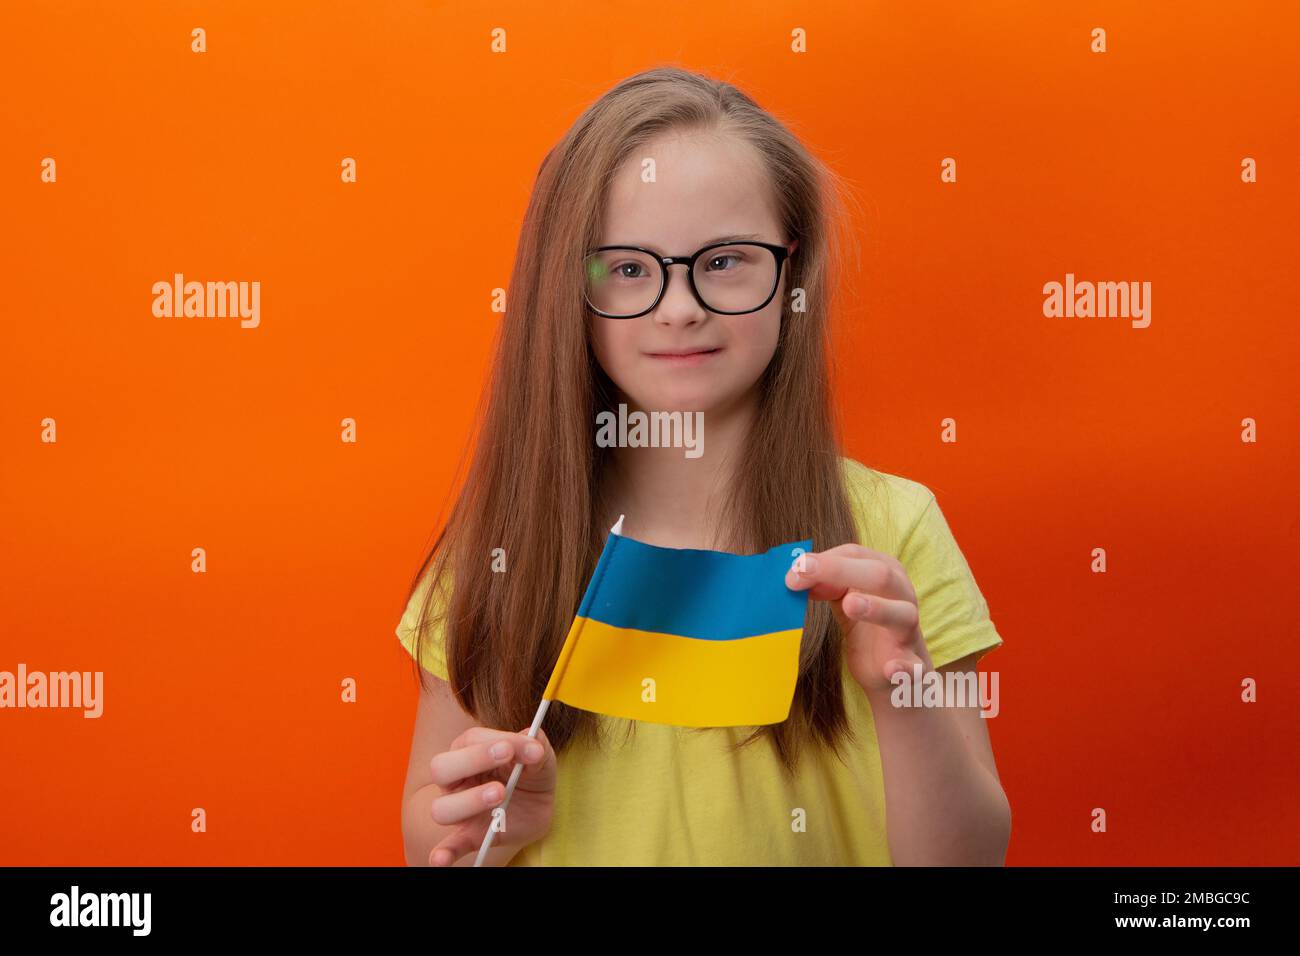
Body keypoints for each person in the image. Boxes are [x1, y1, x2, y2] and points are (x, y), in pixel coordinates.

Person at [396, 66, 1009, 866]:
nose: (678, 306)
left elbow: (968, 860)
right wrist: (485, 822)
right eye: (626, 268)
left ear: (792, 268)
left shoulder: (893, 532)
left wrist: (906, 692)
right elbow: (424, 836)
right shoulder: (500, 548)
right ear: (563, 288)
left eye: (722, 261)